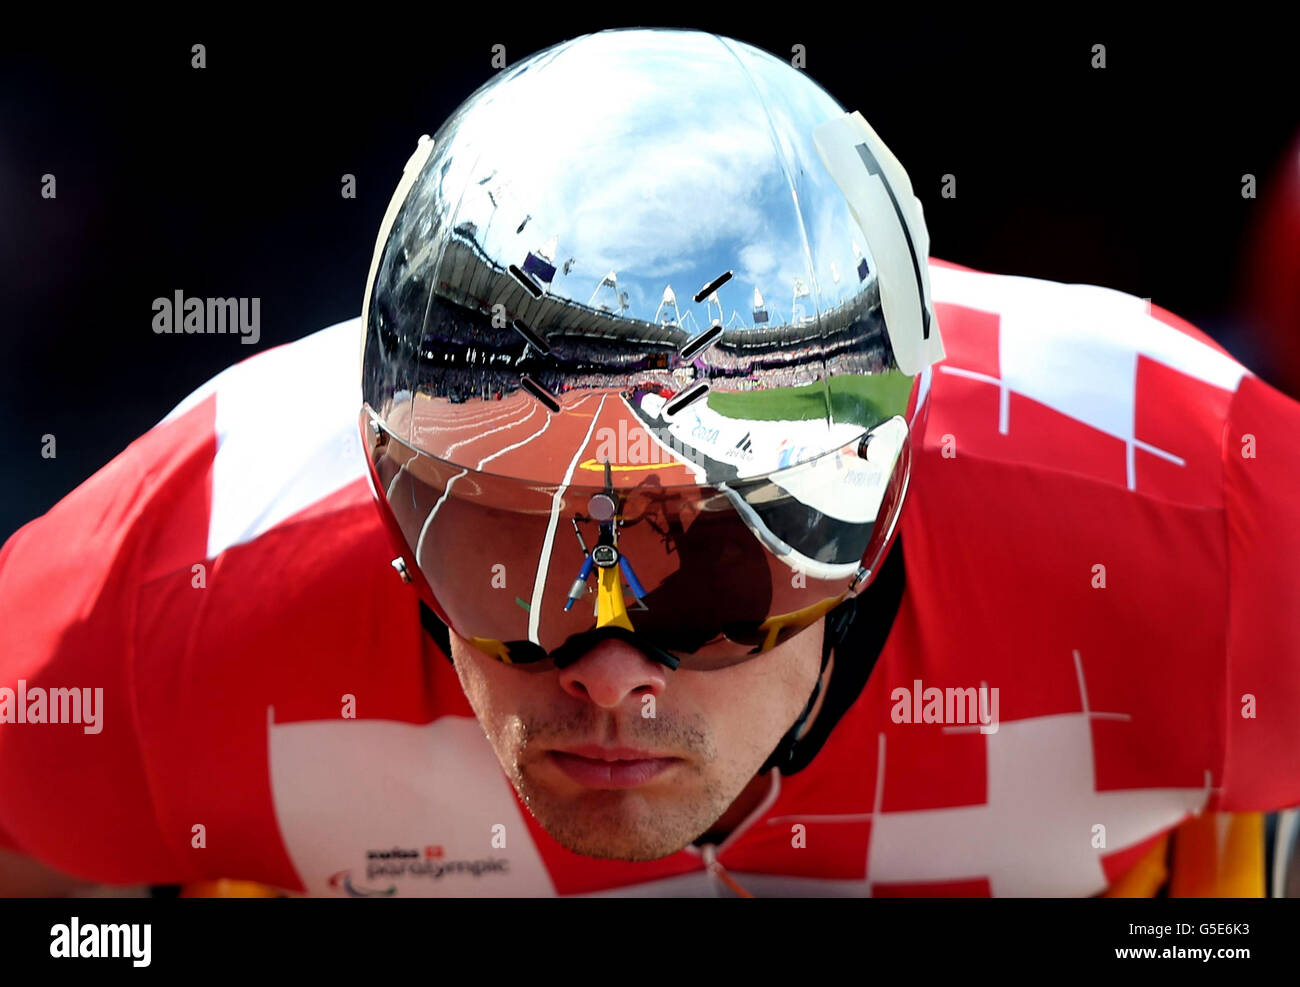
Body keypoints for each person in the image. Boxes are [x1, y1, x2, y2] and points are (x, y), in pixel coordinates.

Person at [1, 27, 1298, 898]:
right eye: (509, 546)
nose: (609, 673)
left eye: (713, 552)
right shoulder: (165, 588)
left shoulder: (1203, 508)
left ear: (882, 495)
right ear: (387, 491)